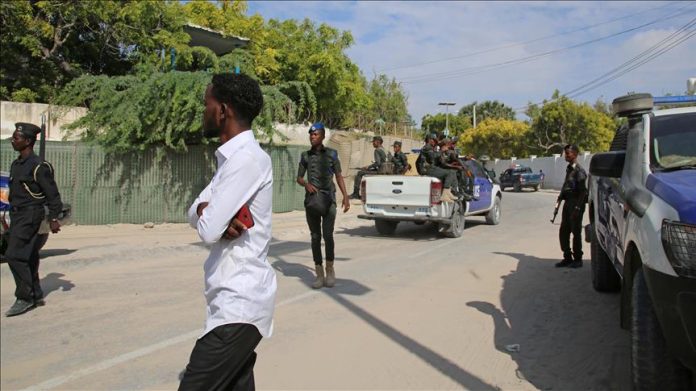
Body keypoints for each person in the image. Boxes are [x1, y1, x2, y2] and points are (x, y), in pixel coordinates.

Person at [181, 73, 276, 390]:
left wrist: (210, 216)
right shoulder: (232, 160)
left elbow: (207, 231)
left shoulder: (247, 159)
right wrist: (210, 212)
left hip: (239, 304)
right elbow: (193, 210)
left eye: (206, 104)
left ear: (223, 110)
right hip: (230, 304)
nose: (203, 111)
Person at [4, 122, 63, 317]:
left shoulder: (39, 166)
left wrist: (54, 217)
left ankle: (24, 297)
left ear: (28, 141)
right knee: (28, 255)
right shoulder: (17, 164)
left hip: (31, 214)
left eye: (16, 138)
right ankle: (36, 294)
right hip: (18, 213)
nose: (13, 140)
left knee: (13, 255)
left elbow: (53, 194)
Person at [297, 122, 351, 289]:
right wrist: (306, 184)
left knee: (328, 236)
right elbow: (298, 177)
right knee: (315, 237)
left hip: (329, 201)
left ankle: (330, 270)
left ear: (322, 136)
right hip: (312, 201)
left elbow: (339, 176)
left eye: (315, 134)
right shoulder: (305, 156)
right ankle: (319, 273)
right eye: (311, 135)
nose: (312, 137)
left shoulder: (332, 155)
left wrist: (346, 196)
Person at [556, 144, 588, 268]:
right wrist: (561, 196)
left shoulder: (579, 171)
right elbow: (567, 185)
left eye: (568, 153)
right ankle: (567, 257)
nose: (566, 156)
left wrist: (577, 208)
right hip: (568, 202)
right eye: (565, 153)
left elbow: (583, 192)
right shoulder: (569, 169)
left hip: (576, 204)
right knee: (564, 231)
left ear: (574, 154)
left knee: (576, 232)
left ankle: (578, 259)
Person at [417, 134, 457, 202]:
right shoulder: (427, 147)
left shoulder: (430, 148)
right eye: (434, 140)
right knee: (449, 173)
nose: (435, 142)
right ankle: (444, 194)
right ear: (430, 140)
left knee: (452, 172)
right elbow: (433, 156)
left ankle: (447, 192)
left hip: (430, 168)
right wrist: (442, 151)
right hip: (427, 169)